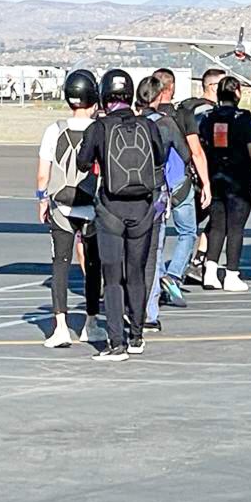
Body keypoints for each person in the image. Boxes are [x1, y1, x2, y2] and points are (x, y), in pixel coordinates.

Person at [77, 69, 165, 362]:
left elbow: (83, 162)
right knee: (137, 273)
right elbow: (160, 157)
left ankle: (116, 343)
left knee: (112, 277)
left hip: (111, 208)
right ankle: (137, 335)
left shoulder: (99, 128)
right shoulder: (148, 125)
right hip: (142, 208)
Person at [35, 69, 105, 348]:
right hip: (92, 207)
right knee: (92, 264)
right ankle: (91, 323)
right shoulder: (100, 128)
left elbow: (43, 173)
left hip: (61, 206)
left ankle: (60, 326)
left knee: (60, 266)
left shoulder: (54, 130)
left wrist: (42, 198)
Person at [198, 75, 251, 292]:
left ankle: (210, 270)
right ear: (237, 93)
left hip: (215, 176)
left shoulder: (208, 116)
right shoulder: (243, 117)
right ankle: (231, 273)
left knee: (217, 225)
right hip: (239, 179)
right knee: (236, 227)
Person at [150, 68, 212, 306]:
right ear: (172, 88)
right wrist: (206, 183)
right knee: (187, 231)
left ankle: (155, 278)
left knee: (156, 237)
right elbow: (196, 152)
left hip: (154, 183)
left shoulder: (146, 116)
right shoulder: (183, 115)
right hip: (179, 182)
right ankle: (174, 274)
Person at [136, 75, 193, 332]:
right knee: (155, 251)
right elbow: (186, 153)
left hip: (127, 195)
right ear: (160, 96)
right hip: (157, 191)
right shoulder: (166, 124)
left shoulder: (130, 123)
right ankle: (149, 312)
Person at [178, 68, 225, 283]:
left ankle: (189, 261)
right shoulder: (210, 112)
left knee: (191, 222)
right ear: (213, 87)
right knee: (217, 218)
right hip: (206, 171)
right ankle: (196, 261)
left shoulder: (188, 107)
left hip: (184, 172)